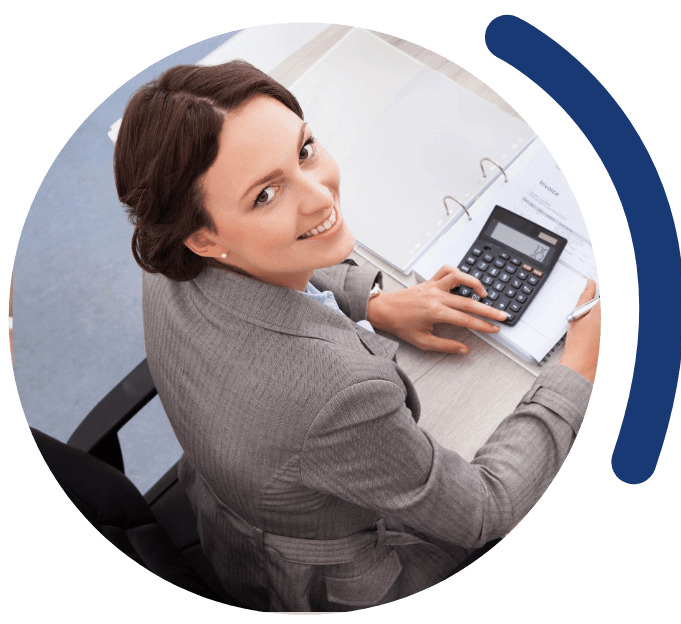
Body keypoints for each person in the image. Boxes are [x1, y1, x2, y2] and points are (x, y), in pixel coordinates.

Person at [114, 61, 600, 612]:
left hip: (228, 510)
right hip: (332, 582)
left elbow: (254, 265)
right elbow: (483, 509)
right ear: (204, 237)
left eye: (303, 151)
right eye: (264, 196)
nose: (321, 196)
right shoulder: (338, 394)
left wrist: (372, 303)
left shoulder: (164, 252)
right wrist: (577, 369)